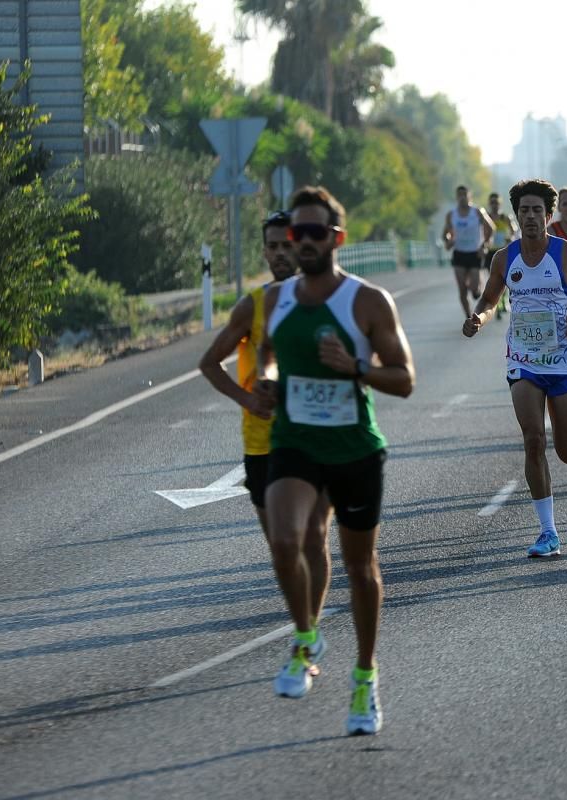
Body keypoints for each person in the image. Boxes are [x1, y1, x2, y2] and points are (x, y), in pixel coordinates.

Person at [260, 186, 415, 736]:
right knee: (285, 541)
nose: (301, 242)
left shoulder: (368, 301)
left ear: (336, 238)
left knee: (360, 570)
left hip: (354, 448)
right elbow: (269, 357)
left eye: (314, 233)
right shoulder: (275, 300)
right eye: (295, 233)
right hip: (295, 442)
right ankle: (305, 640)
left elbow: (404, 379)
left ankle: (365, 677)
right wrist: (268, 383)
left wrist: (355, 367)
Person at [198, 210, 334, 632]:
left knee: (312, 537)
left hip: (314, 439)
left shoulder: (326, 299)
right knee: (282, 546)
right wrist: (247, 399)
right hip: (262, 444)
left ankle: (307, 633)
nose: (279, 253)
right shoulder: (253, 306)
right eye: (271, 246)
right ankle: (305, 626)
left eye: (286, 245)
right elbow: (209, 363)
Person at [463, 178, 567, 558]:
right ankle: (548, 531)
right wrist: (478, 317)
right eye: (523, 210)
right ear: (517, 214)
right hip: (524, 360)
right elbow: (490, 299)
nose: (530, 216)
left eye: (536, 210)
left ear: (548, 214)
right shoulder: (504, 258)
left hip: (565, 360)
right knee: (532, 440)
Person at [443, 185, 495, 319]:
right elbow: (445, 234)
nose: (462, 198)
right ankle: (468, 316)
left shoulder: (477, 212)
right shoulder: (451, 215)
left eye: (464, 194)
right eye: (459, 195)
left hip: (474, 253)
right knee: (462, 289)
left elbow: (491, 228)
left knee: (474, 291)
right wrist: (449, 241)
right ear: (456, 197)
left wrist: (484, 245)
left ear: (469, 196)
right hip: (459, 253)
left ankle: (477, 286)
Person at [485, 192, 518, 320]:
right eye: (492, 203)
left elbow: (514, 230)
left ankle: (502, 301)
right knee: (494, 280)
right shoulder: (486, 217)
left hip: (503, 251)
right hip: (490, 252)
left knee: (504, 279)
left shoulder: (505, 217)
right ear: (489, 204)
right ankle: (498, 305)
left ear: (500, 204)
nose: (494, 205)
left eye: (497, 203)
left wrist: (510, 237)